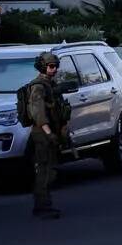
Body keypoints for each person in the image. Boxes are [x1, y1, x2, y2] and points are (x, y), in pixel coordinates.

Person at [26, 52, 68, 219]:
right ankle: (42, 206)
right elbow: (38, 112)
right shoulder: (38, 86)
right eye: (51, 66)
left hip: (49, 132)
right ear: (43, 67)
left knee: (49, 168)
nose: (54, 69)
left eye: (56, 66)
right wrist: (49, 133)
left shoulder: (49, 85)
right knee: (45, 170)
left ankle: (44, 205)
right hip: (42, 133)